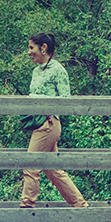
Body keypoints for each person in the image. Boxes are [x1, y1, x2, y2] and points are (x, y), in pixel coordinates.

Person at [20, 32, 88, 209]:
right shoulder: (36, 71)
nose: (29, 52)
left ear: (44, 48)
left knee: (31, 165)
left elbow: (65, 100)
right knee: (52, 170)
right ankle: (80, 206)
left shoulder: (58, 70)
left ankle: (26, 209)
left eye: (31, 48)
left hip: (48, 124)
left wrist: (45, 110)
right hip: (38, 123)